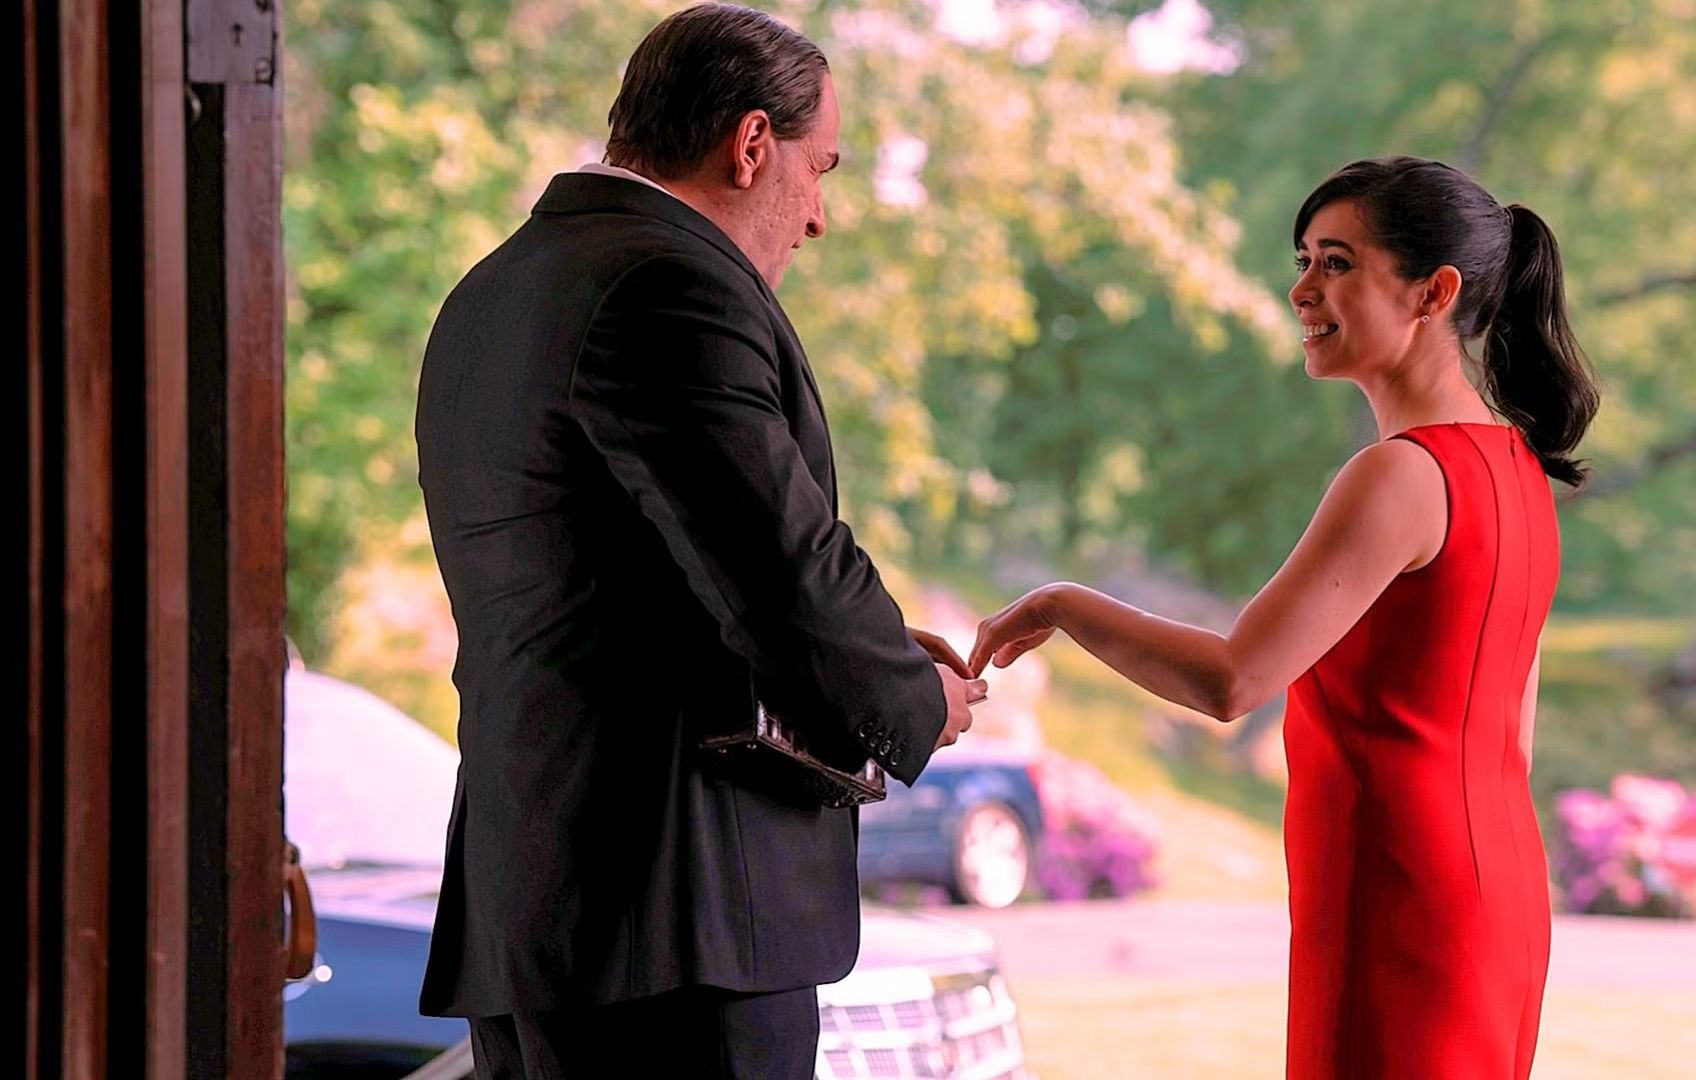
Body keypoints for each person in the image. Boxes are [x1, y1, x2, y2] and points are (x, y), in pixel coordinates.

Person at [413, 5, 983, 1076]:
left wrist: (880, 652)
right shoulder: (665, 284)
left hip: (544, 897)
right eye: (822, 169)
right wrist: (914, 700)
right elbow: (782, 570)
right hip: (677, 910)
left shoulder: (497, 287)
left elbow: (649, 569)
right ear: (752, 142)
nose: (819, 218)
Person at [970, 155, 1599, 1079]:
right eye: (1303, 259)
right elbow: (1514, 733)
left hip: (1398, 898)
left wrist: (1067, 603)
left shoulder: (1398, 475)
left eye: (1336, 263)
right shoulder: (1516, 470)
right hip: (1494, 891)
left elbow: (1234, 679)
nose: (1302, 288)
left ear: (1435, 292)